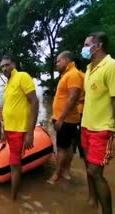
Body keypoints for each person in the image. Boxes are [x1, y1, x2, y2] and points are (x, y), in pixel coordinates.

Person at [80, 32, 115, 214]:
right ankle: (92, 200)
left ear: (98, 45)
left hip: (102, 129)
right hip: (86, 126)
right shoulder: (89, 68)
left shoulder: (111, 66)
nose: (84, 48)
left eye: (87, 44)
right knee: (87, 166)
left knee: (95, 172)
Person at [1, 55, 39, 200]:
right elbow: (8, 107)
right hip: (10, 130)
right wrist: (4, 130)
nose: (4, 68)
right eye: (2, 66)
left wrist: (30, 133)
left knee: (14, 165)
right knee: (15, 164)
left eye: (7, 65)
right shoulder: (8, 83)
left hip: (19, 130)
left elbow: (34, 102)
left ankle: (13, 199)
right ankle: (15, 194)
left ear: (14, 64)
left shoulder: (22, 77)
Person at [47, 51, 83, 184]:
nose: (56, 64)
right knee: (67, 147)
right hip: (64, 118)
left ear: (67, 60)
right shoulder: (67, 75)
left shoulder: (73, 74)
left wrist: (60, 119)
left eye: (58, 61)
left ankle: (57, 174)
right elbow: (62, 98)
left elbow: (73, 98)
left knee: (61, 148)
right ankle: (66, 171)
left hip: (66, 120)